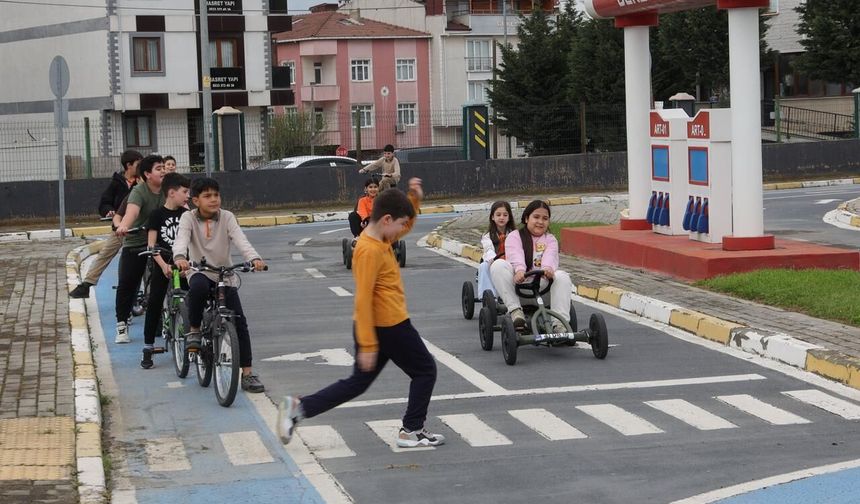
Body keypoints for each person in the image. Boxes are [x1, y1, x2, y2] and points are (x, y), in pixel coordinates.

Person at [276, 178, 446, 449]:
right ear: (387, 219)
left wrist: (413, 199)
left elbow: (404, 224)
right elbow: (363, 299)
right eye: (401, 223)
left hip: (382, 326)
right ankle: (412, 429)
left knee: (357, 383)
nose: (404, 229)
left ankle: (298, 408)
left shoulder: (382, 236)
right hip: (389, 326)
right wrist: (367, 345)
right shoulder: (368, 250)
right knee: (425, 370)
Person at [173, 177, 268, 393]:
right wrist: (179, 257)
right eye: (207, 196)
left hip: (225, 274)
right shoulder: (188, 218)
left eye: (216, 195)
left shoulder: (227, 217)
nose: (213, 199)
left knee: (240, 322)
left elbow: (241, 240)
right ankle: (195, 330)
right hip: (200, 271)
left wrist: (254, 259)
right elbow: (181, 239)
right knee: (197, 288)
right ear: (195, 200)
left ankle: (247, 374)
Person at [489, 200, 573, 333]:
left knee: (562, 276)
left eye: (545, 218)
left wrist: (547, 269)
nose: (540, 222)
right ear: (527, 218)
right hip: (519, 290)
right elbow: (515, 254)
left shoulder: (550, 239)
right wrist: (520, 270)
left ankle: (560, 324)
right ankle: (516, 312)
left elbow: (550, 257)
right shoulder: (514, 236)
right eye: (536, 217)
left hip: (542, 291)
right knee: (498, 265)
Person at [69, 150, 142, 299]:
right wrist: (109, 211)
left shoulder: (143, 183)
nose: (141, 167)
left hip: (139, 229)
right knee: (105, 254)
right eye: (138, 164)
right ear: (129, 165)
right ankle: (86, 285)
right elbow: (104, 203)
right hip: (120, 228)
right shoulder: (116, 183)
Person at [140, 172, 191, 369]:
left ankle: (193, 338)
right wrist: (163, 265)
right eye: (184, 192)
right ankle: (148, 346)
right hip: (163, 263)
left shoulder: (187, 215)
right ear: (171, 193)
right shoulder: (156, 215)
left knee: (193, 299)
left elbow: (193, 243)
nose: (188, 196)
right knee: (154, 302)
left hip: (183, 264)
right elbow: (152, 245)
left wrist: (187, 264)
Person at [113, 155, 166, 343]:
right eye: (158, 168)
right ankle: (121, 324)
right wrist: (123, 226)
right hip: (136, 241)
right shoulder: (138, 192)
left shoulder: (170, 189)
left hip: (161, 242)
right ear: (147, 174)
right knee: (127, 283)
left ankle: (173, 317)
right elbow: (131, 212)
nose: (163, 171)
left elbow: (182, 206)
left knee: (175, 276)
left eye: (164, 167)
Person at [478, 201, 516, 297]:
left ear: (509, 217)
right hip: (494, 261)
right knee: (484, 266)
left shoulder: (515, 234)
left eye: (505, 215)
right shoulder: (487, 236)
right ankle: (488, 296)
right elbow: (488, 249)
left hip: (510, 261)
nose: (502, 217)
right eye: (498, 215)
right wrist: (493, 259)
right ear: (492, 217)